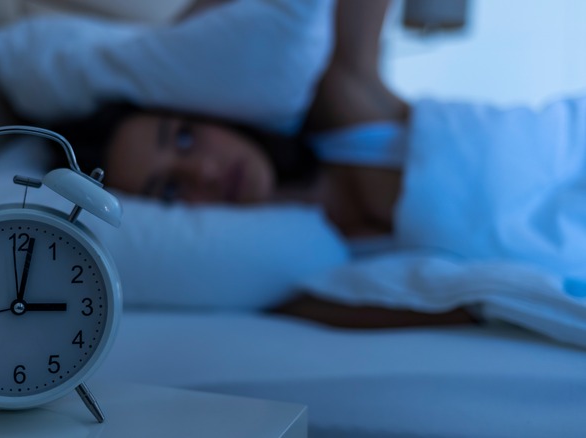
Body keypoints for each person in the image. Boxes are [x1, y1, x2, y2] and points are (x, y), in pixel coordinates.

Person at [52, 0, 479, 328]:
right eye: (168, 189)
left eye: (185, 137)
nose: (203, 171)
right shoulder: (296, 289)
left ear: (208, 112)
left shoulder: (348, 105)